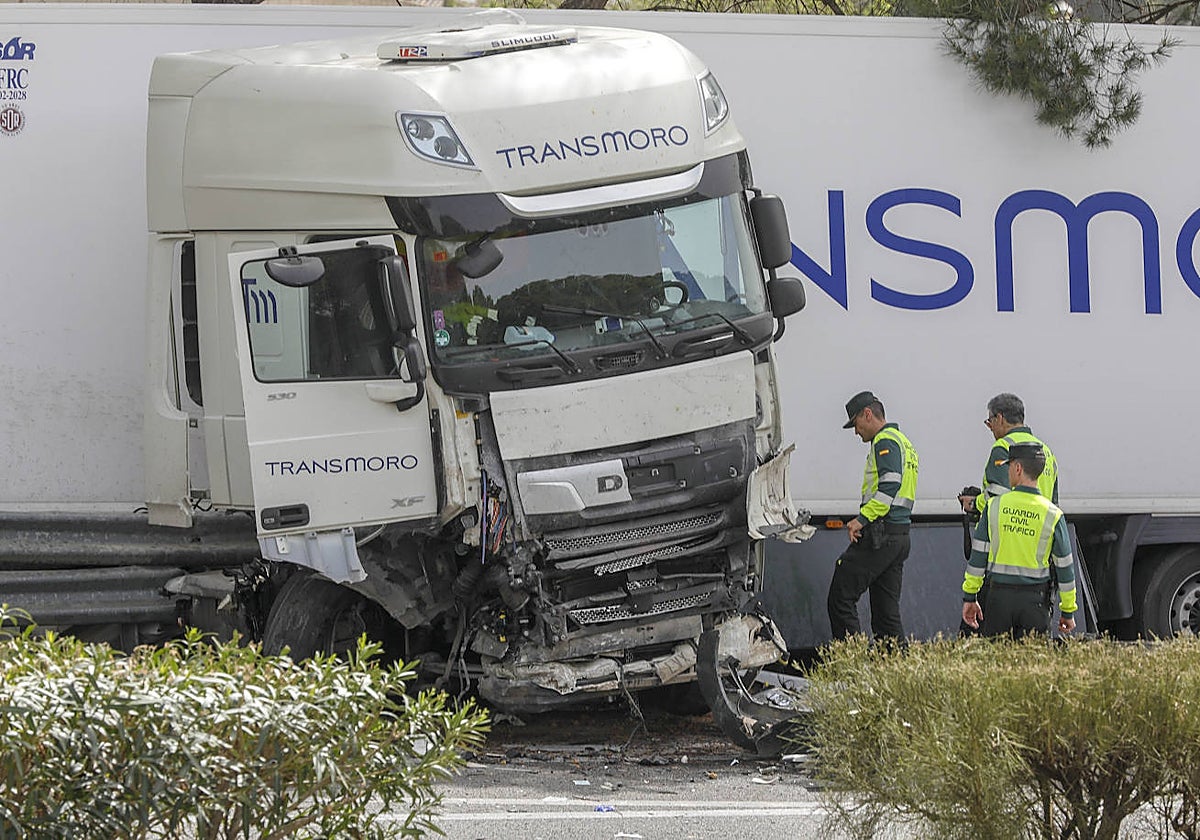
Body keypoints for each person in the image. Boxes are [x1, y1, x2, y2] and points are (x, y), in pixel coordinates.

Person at [827, 391, 919, 643]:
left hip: (881, 533)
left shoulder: (885, 440)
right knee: (886, 613)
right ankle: (894, 670)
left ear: (867, 414)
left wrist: (862, 519)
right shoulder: (904, 442)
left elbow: (890, 485)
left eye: (855, 424)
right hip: (899, 536)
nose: (856, 432)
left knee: (841, 596)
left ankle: (852, 664)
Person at [961, 442, 1077, 638]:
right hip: (1036, 603)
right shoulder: (1053, 515)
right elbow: (1065, 568)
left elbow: (978, 557)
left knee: (998, 662)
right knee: (1032, 664)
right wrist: (1068, 611)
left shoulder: (994, 507)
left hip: (999, 601)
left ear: (1018, 468)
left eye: (1009, 466)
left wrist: (970, 596)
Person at [958, 392, 1059, 517]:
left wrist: (974, 503)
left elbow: (998, 497)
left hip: (1012, 530)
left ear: (1000, 418)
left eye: (990, 421)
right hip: (1040, 531)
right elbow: (1054, 506)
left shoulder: (1004, 447)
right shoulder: (1047, 452)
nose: (991, 428)